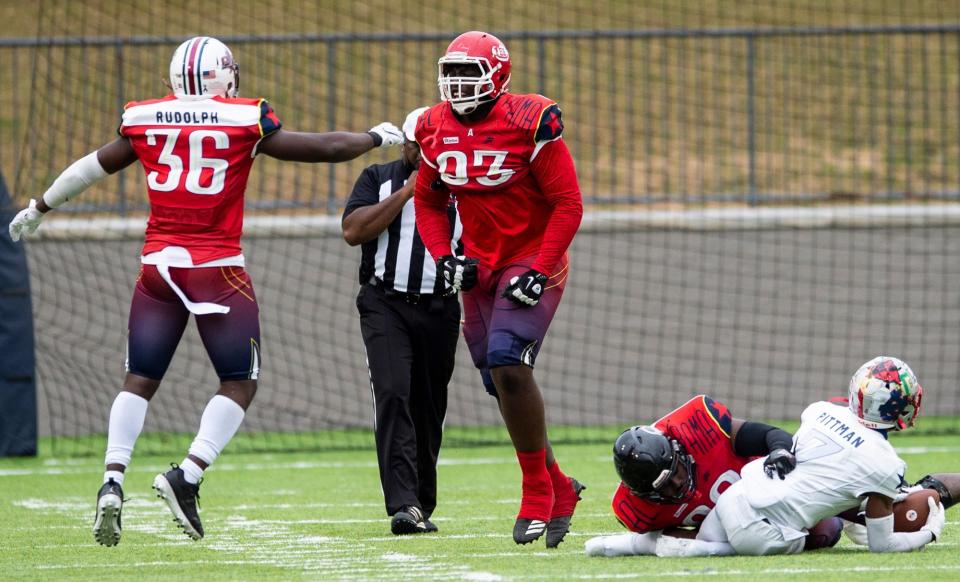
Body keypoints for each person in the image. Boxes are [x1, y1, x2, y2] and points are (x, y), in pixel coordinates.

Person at [8, 36, 403, 547]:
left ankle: (111, 479)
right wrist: (374, 137)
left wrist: (39, 207)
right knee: (240, 381)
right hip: (216, 267)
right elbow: (323, 148)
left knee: (138, 379)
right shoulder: (244, 118)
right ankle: (188, 475)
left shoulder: (145, 118)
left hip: (158, 267)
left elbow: (90, 167)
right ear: (224, 75)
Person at [413, 30, 585, 547]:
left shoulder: (527, 120)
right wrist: (444, 258)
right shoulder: (432, 126)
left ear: (498, 75)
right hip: (479, 265)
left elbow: (568, 203)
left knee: (510, 363)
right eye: (453, 72)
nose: (458, 83)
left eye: (470, 72)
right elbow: (428, 201)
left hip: (531, 257)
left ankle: (536, 492)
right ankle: (560, 486)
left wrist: (541, 266)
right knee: (498, 381)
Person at [653, 356, 946, 558]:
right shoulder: (887, 465)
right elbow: (884, 547)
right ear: (897, 408)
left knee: (704, 539)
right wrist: (928, 533)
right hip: (764, 530)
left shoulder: (820, 410)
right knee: (819, 535)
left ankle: (626, 544)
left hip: (737, 496)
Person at [341, 107, 462, 535]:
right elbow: (354, 230)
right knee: (392, 393)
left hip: (441, 307)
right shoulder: (379, 179)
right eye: (415, 143)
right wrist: (409, 193)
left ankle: (421, 503)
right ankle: (404, 504)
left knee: (429, 406)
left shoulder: (462, 183)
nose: (421, 149)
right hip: (385, 302)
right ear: (407, 145)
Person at [585, 394, 828, 557]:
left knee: (828, 529)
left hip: (774, 483)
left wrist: (779, 452)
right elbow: (680, 540)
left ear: (677, 450)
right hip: (742, 521)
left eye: (675, 472)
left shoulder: (698, 428)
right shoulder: (635, 510)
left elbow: (770, 435)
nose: (678, 484)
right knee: (822, 533)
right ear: (645, 494)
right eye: (665, 488)